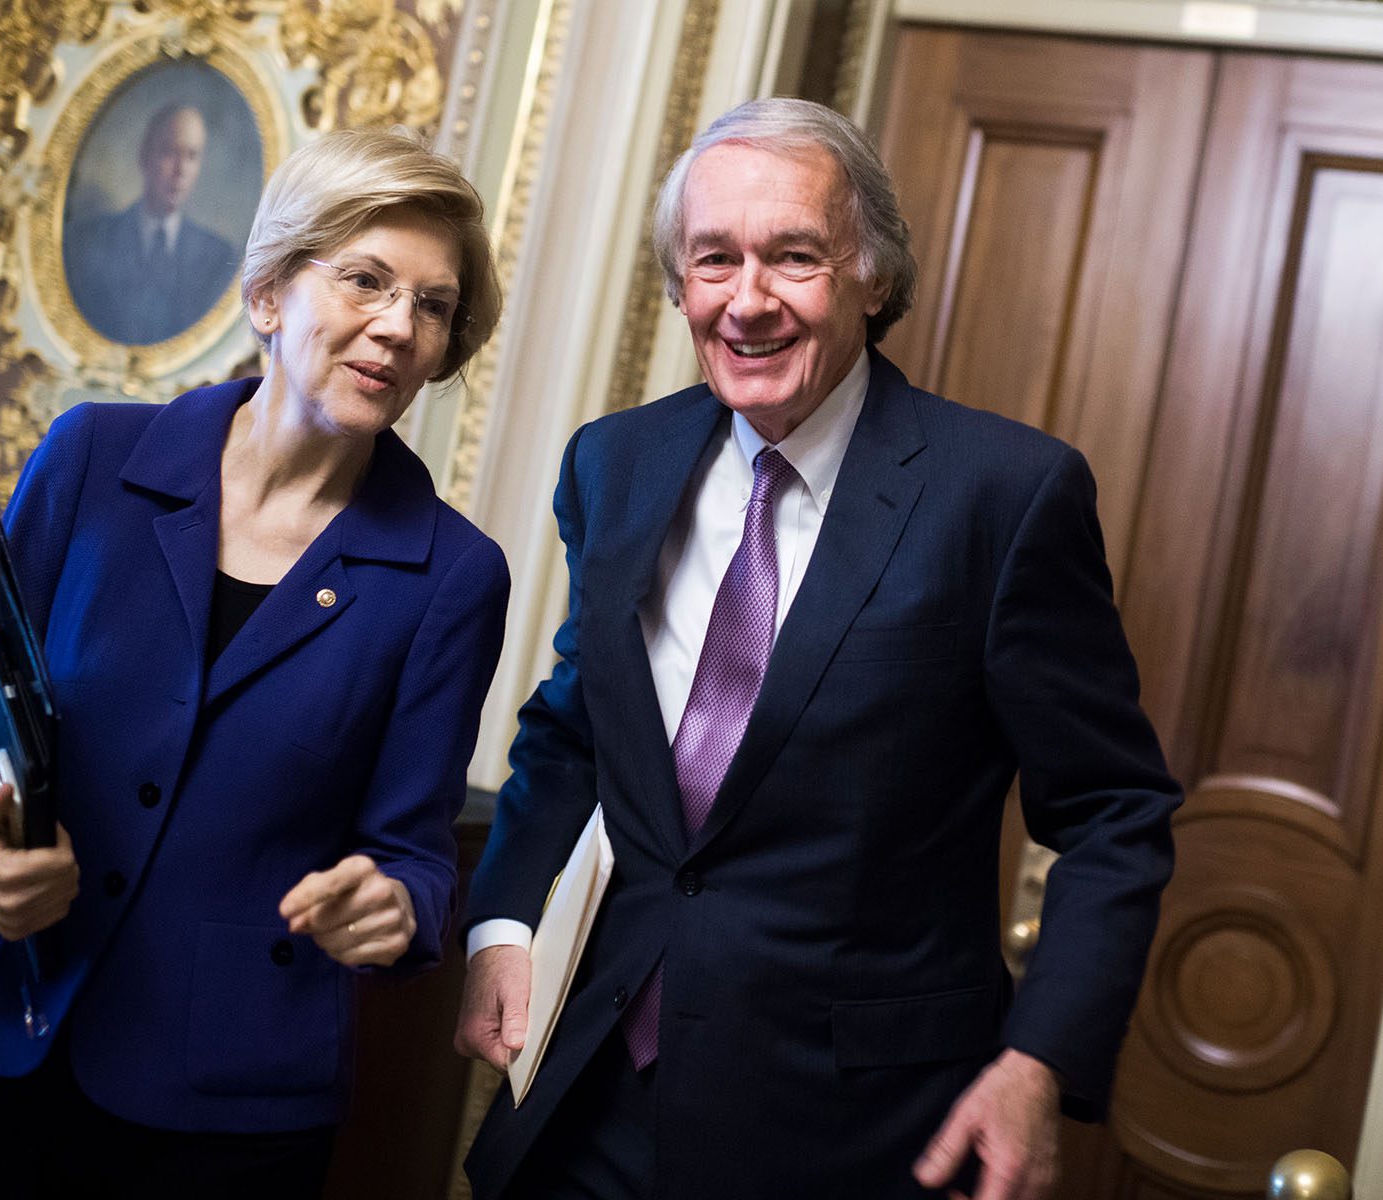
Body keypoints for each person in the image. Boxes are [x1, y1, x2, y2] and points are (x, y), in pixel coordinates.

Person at [454, 97, 1181, 1200]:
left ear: (872, 277)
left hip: (858, 1129)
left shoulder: (1005, 495)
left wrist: (1039, 1063)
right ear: (679, 283)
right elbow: (572, 732)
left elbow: (1114, 814)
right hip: (590, 1104)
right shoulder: (615, 466)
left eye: (793, 256)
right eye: (714, 260)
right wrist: (502, 923)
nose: (747, 301)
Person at [0, 128, 508, 1198]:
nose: (399, 326)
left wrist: (395, 904)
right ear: (268, 293)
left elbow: (414, 852)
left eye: (434, 306)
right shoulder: (90, 457)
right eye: (366, 279)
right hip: (1, 1028)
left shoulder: (452, 575)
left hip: (228, 1106)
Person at [64, 103, 241, 345]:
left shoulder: (218, 256)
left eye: (191, 156)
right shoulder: (92, 240)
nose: (181, 170)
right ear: (145, 156)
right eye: (170, 152)